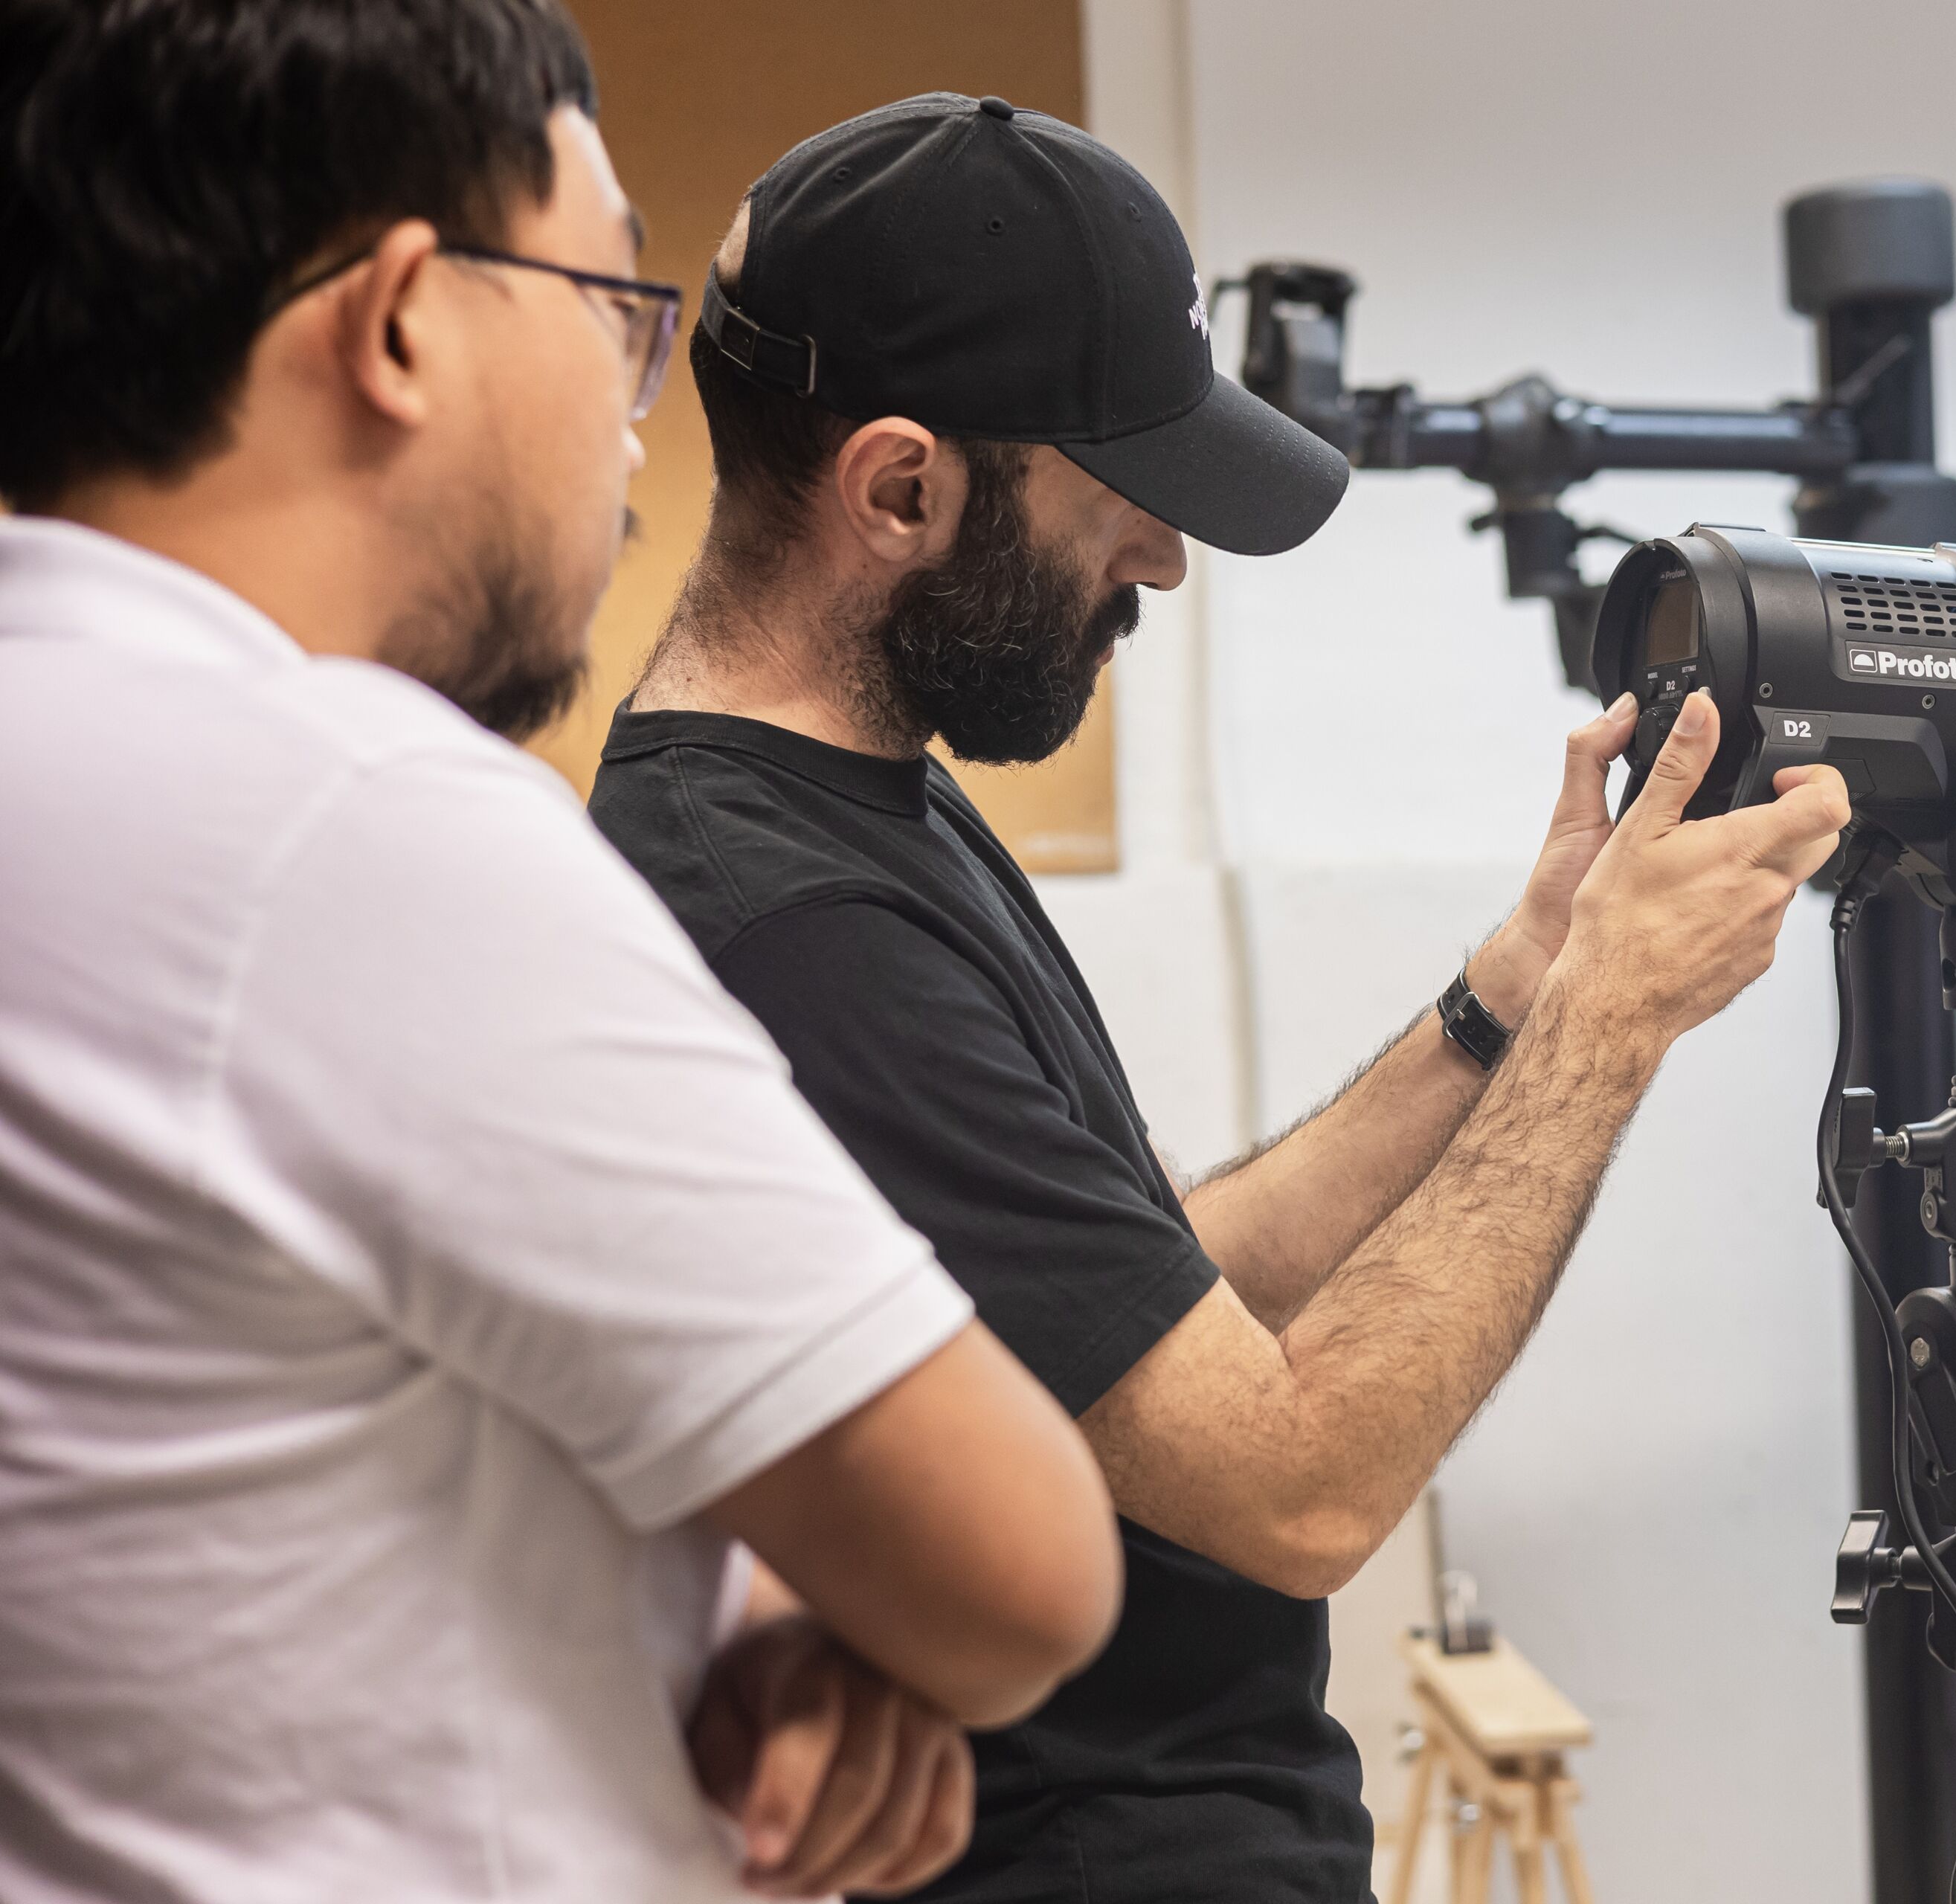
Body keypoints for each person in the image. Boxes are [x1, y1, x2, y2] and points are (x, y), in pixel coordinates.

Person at [587, 94, 1853, 1904]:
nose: (1165, 561)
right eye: (1122, 499)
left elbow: (1152, 1289)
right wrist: (1614, 1029)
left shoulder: (863, 801)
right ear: (899, 487)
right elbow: (1303, 1489)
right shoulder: (781, 921)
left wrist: (1522, 983)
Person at [0, 7, 1124, 1900]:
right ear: (403, 320)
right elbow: (1021, 1569)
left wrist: (745, 1581)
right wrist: (834, 1605)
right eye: (614, 303)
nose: (630, 425)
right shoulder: (354, 826)